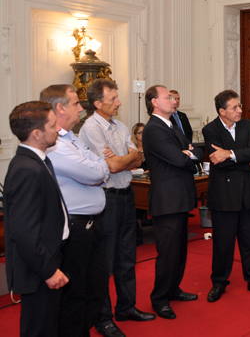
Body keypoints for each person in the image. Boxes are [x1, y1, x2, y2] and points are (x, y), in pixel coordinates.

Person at [79, 79, 155, 337]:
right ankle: (103, 319)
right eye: (113, 99)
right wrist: (124, 159)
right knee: (105, 263)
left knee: (127, 257)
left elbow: (138, 157)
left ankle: (127, 307)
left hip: (126, 194)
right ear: (98, 103)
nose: (119, 103)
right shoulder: (91, 128)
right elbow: (111, 166)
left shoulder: (121, 126)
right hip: (106, 199)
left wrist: (123, 158)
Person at [41, 84, 111, 337]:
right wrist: (101, 168)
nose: (81, 108)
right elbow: (95, 171)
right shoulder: (54, 144)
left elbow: (98, 170)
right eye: (75, 104)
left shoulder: (74, 138)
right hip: (75, 226)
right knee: (75, 291)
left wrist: (100, 168)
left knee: (97, 285)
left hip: (94, 223)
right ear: (60, 108)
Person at [4, 101, 69, 337]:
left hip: (47, 260)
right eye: (53, 126)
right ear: (36, 133)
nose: (58, 130)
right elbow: (23, 232)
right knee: (39, 329)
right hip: (39, 269)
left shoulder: (35, 161)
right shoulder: (27, 169)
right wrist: (49, 271)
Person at [202, 90, 250, 302]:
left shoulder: (247, 125)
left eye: (239, 106)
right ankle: (219, 283)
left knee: (249, 240)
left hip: (247, 193)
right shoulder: (210, 129)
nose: (240, 110)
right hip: (223, 194)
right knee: (223, 243)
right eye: (235, 107)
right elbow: (218, 161)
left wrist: (230, 153)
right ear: (222, 111)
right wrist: (242, 158)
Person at [143, 85, 203, 319]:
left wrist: (189, 152)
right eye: (167, 97)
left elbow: (196, 150)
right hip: (167, 200)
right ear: (154, 102)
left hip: (179, 196)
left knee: (179, 249)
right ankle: (159, 298)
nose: (173, 101)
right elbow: (180, 159)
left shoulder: (172, 125)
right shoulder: (154, 129)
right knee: (168, 252)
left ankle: (173, 289)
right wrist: (187, 153)